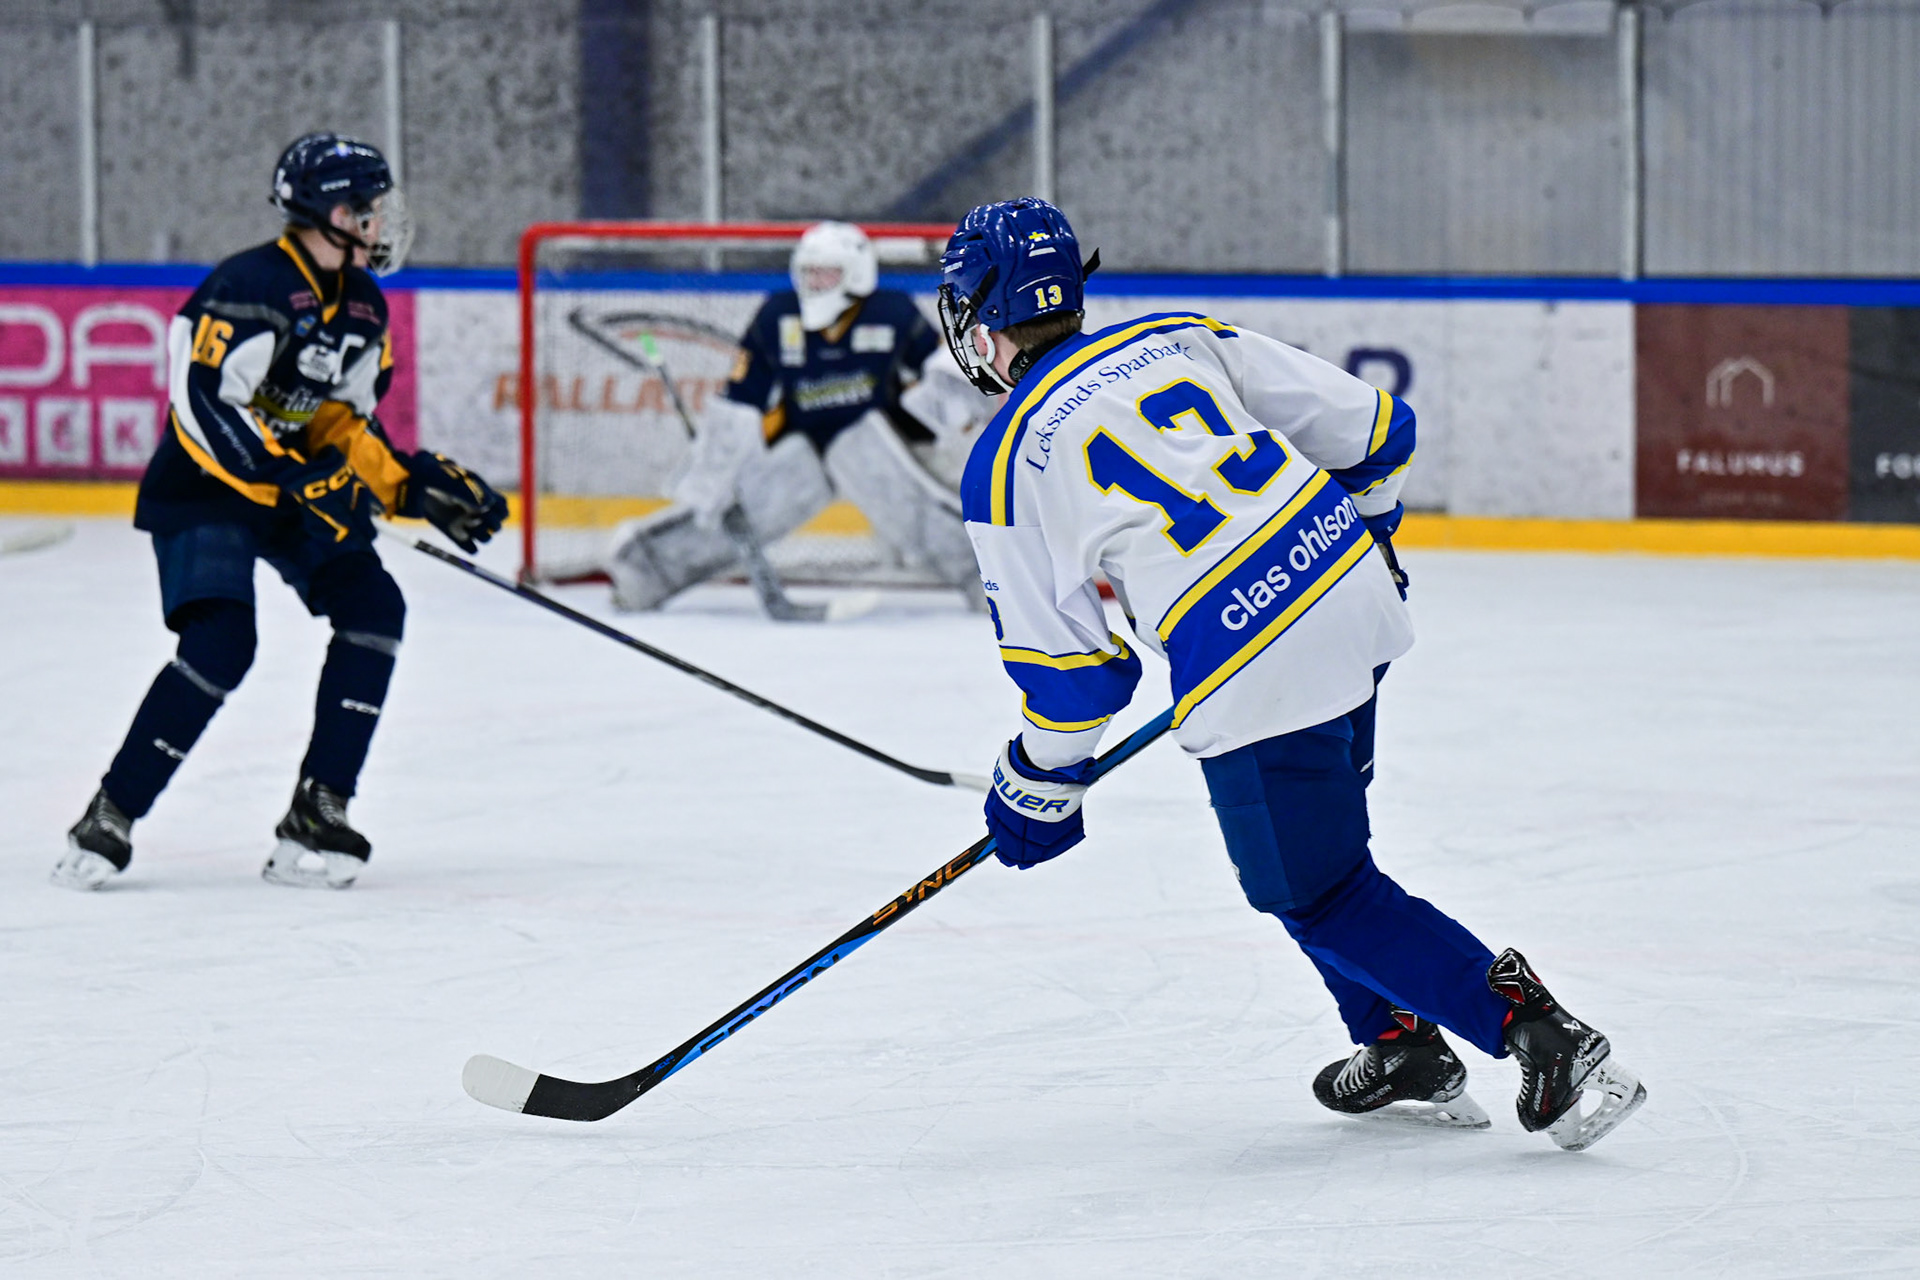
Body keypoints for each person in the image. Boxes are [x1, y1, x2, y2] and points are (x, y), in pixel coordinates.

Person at [946, 198, 1644, 1151]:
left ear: (984, 317)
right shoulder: (1175, 340)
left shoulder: (1005, 463)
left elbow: (1075, 678)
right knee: (1315, 857)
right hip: (1350, 597)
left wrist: (1035, 786)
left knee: (1319, 891)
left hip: (1253, 669)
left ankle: (1540, 1033)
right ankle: (1396, 1041)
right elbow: (1379, 431)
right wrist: (1368, 537)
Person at [52, 133, 507, 892]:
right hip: (205, 488)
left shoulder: (363, 305)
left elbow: (342, 422)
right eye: (370, 207)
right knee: (223, 643)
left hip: (293, 490)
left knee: (374, 608)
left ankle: (319, 807)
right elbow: (203, 407)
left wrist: (406, 487)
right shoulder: (249, 285)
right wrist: (295, 477)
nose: (383, 221)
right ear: (335, 214)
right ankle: (112, 812)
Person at [605, 221, 992, 613]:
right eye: (808, 273)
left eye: (827, 273)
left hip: (873, 439)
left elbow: (938, 368)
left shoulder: (891, 311)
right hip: (801, 441)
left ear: (857, 273)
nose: (815, 283)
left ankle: (988, 578)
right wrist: (713, 474)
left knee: (914, 512)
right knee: (743, 513)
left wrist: (958, 397)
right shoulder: (778, 314)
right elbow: (740, 400)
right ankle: (647, 570)